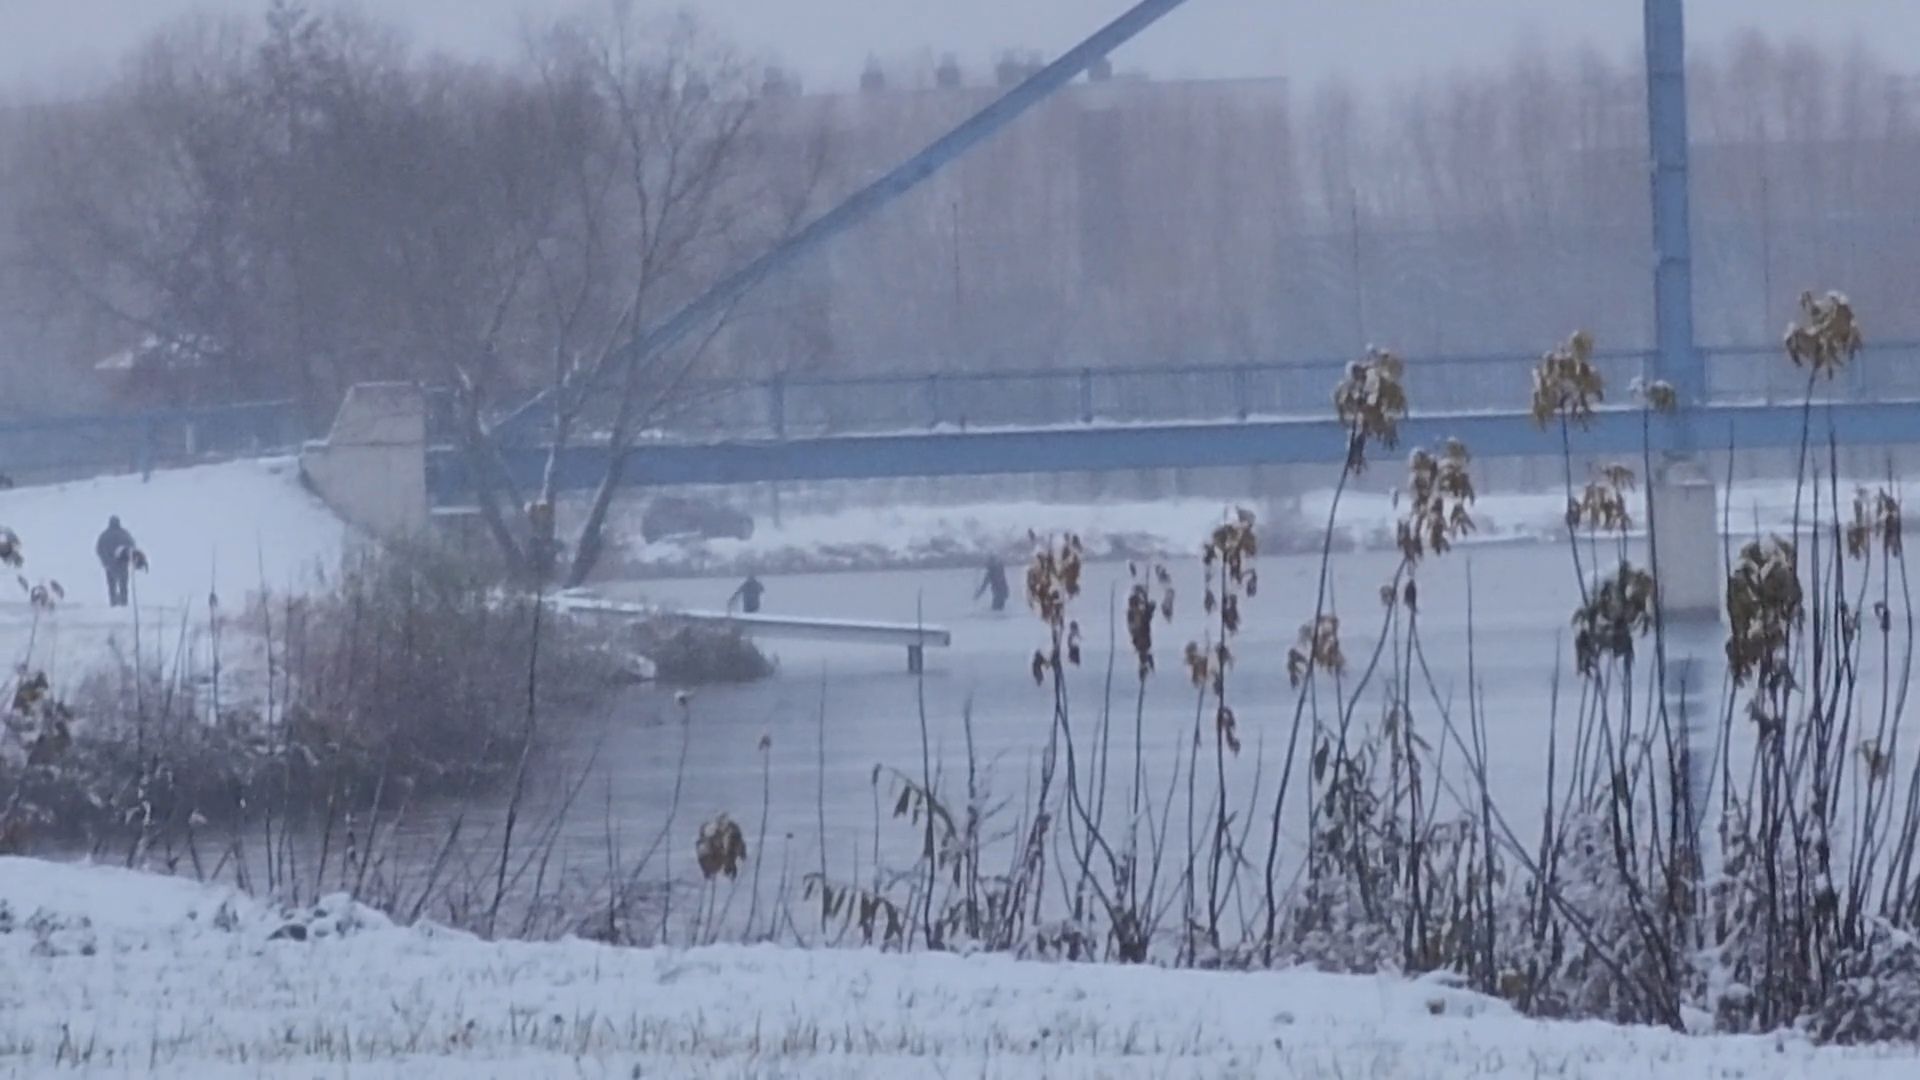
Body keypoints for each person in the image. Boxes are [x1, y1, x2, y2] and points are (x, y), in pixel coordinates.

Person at [95, 515, 136, 608]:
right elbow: (132, 547)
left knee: (111, 585)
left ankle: (113, 603)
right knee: (123, 585)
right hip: (122, 564)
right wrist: (129, 559)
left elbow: (99, 549)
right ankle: (124, 602)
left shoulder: (104, 535)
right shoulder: (124, 534)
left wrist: (105, 561)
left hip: (110, 565)